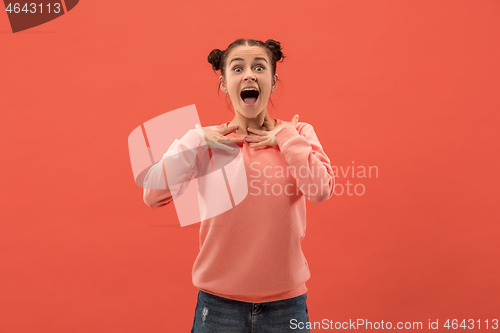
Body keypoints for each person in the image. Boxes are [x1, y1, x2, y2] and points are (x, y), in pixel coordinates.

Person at [142, 38, 335, 333]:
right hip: (218, 307)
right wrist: (195, 140)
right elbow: (153, 195)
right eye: (238, 68)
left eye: (259, 67)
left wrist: (285, 137)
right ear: (224, 83)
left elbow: (320, 191)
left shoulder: (298, 134)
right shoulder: (207, 141)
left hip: (286, 307)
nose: (249, 75)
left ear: (273, 81)